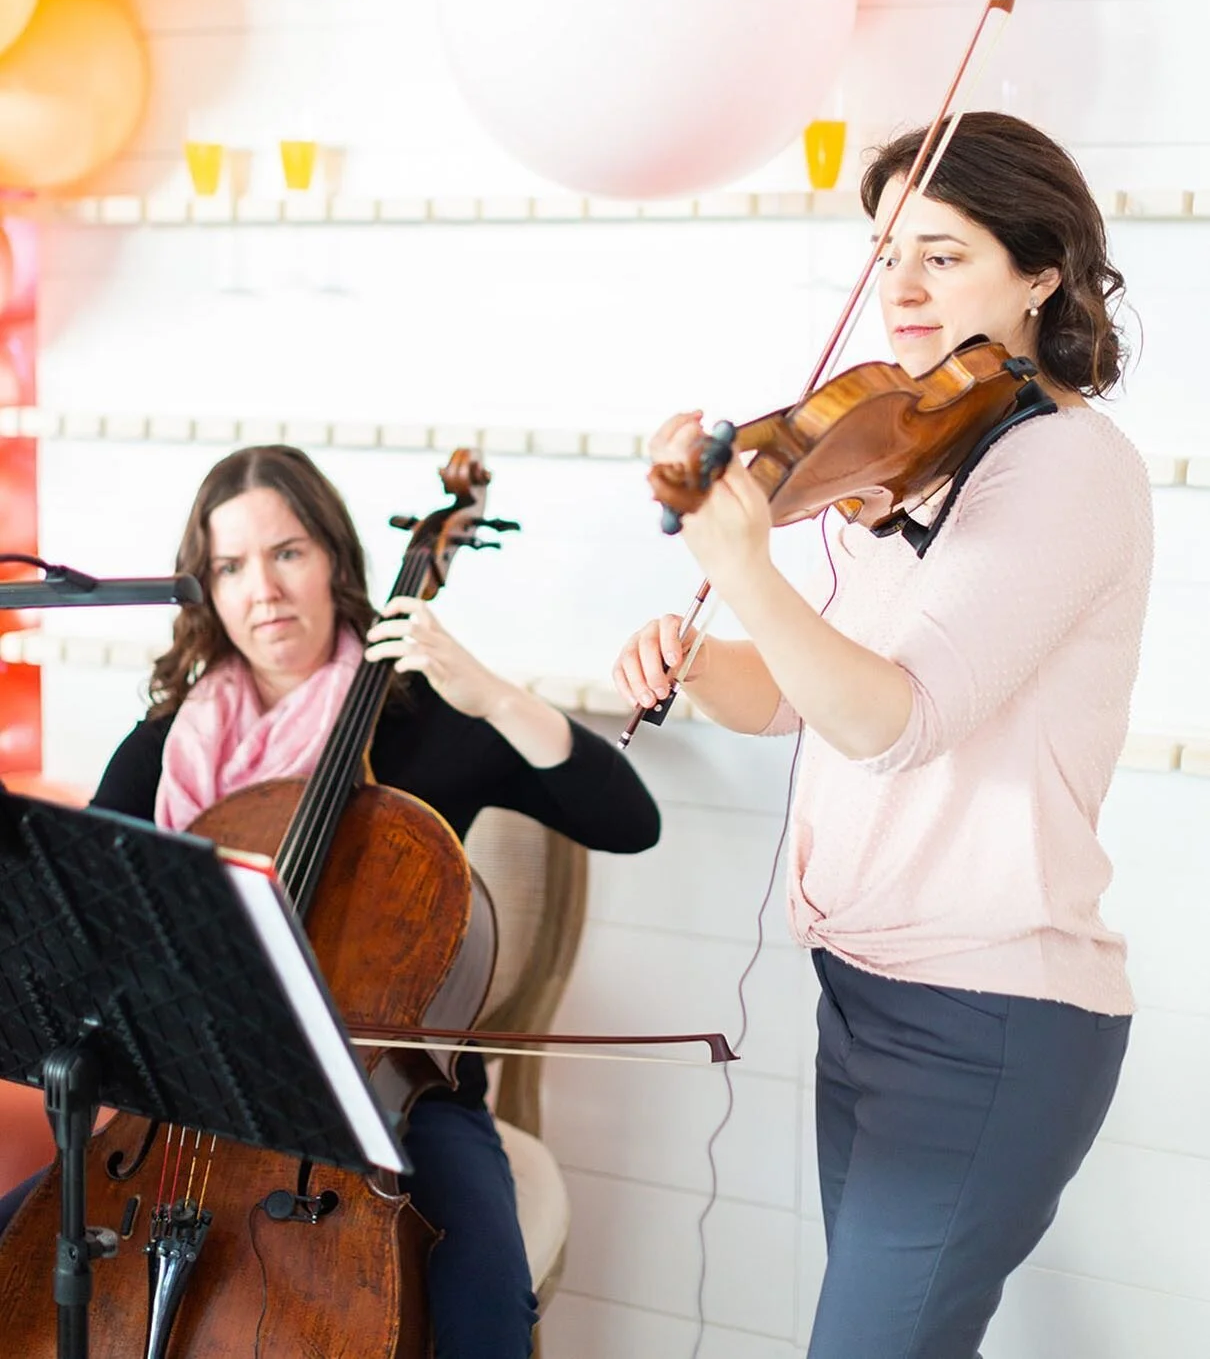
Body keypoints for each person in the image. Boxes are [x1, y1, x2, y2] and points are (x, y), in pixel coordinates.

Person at [613, 112, 1151, 1359]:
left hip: (987, 1015)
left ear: (1041, 271)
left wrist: (745, 567)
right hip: (863, 990)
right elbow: (799, 695)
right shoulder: (921, 454)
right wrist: (701, 658)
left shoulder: (1063, 469)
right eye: (882, 250)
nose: (896, 288)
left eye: (943, 253)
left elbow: (893, 723)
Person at [0, 444, 661, 1359]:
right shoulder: (164, 748)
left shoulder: (426, 721)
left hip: (390, 1106)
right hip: (187, 1105)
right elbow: (81, 935)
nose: (262, 590)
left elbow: (628, 821)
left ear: (336, 561)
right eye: (229, 567)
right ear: (204, 590)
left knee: (485, 1305)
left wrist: (495, 695)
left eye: (287, 553)